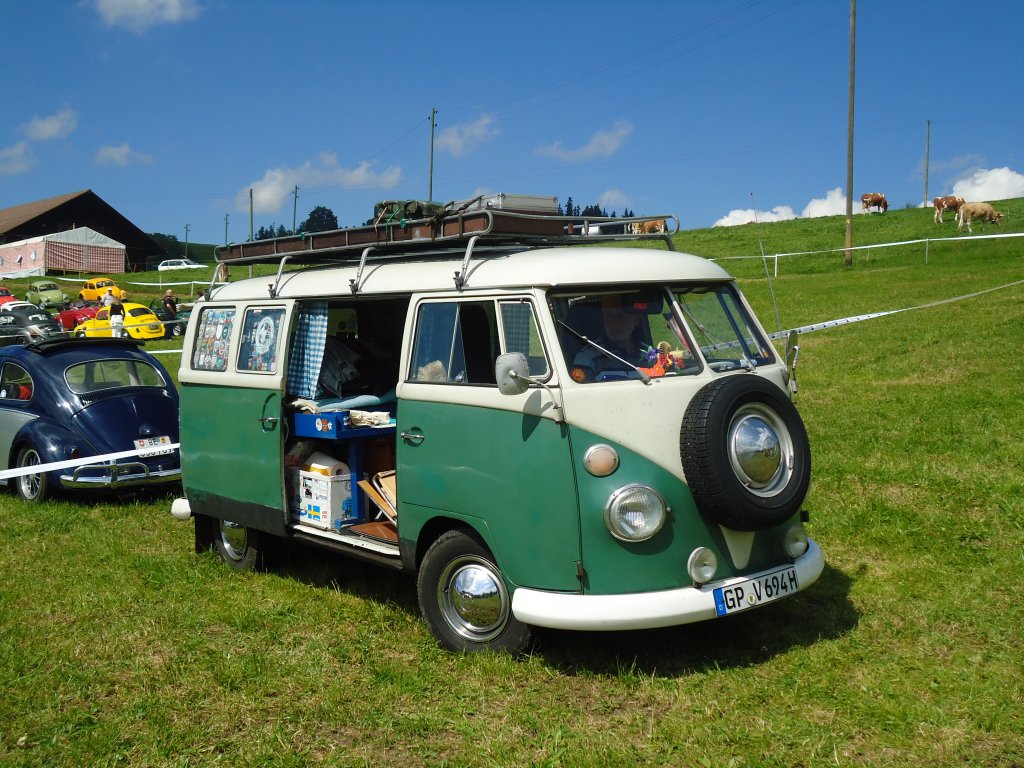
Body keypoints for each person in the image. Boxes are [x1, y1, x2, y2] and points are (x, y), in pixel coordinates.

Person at [570, 294, 652, 381]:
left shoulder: (649, 354)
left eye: (620, 315)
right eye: (608, 315)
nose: (614, 322)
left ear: (636, 320)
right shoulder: (586, 357)